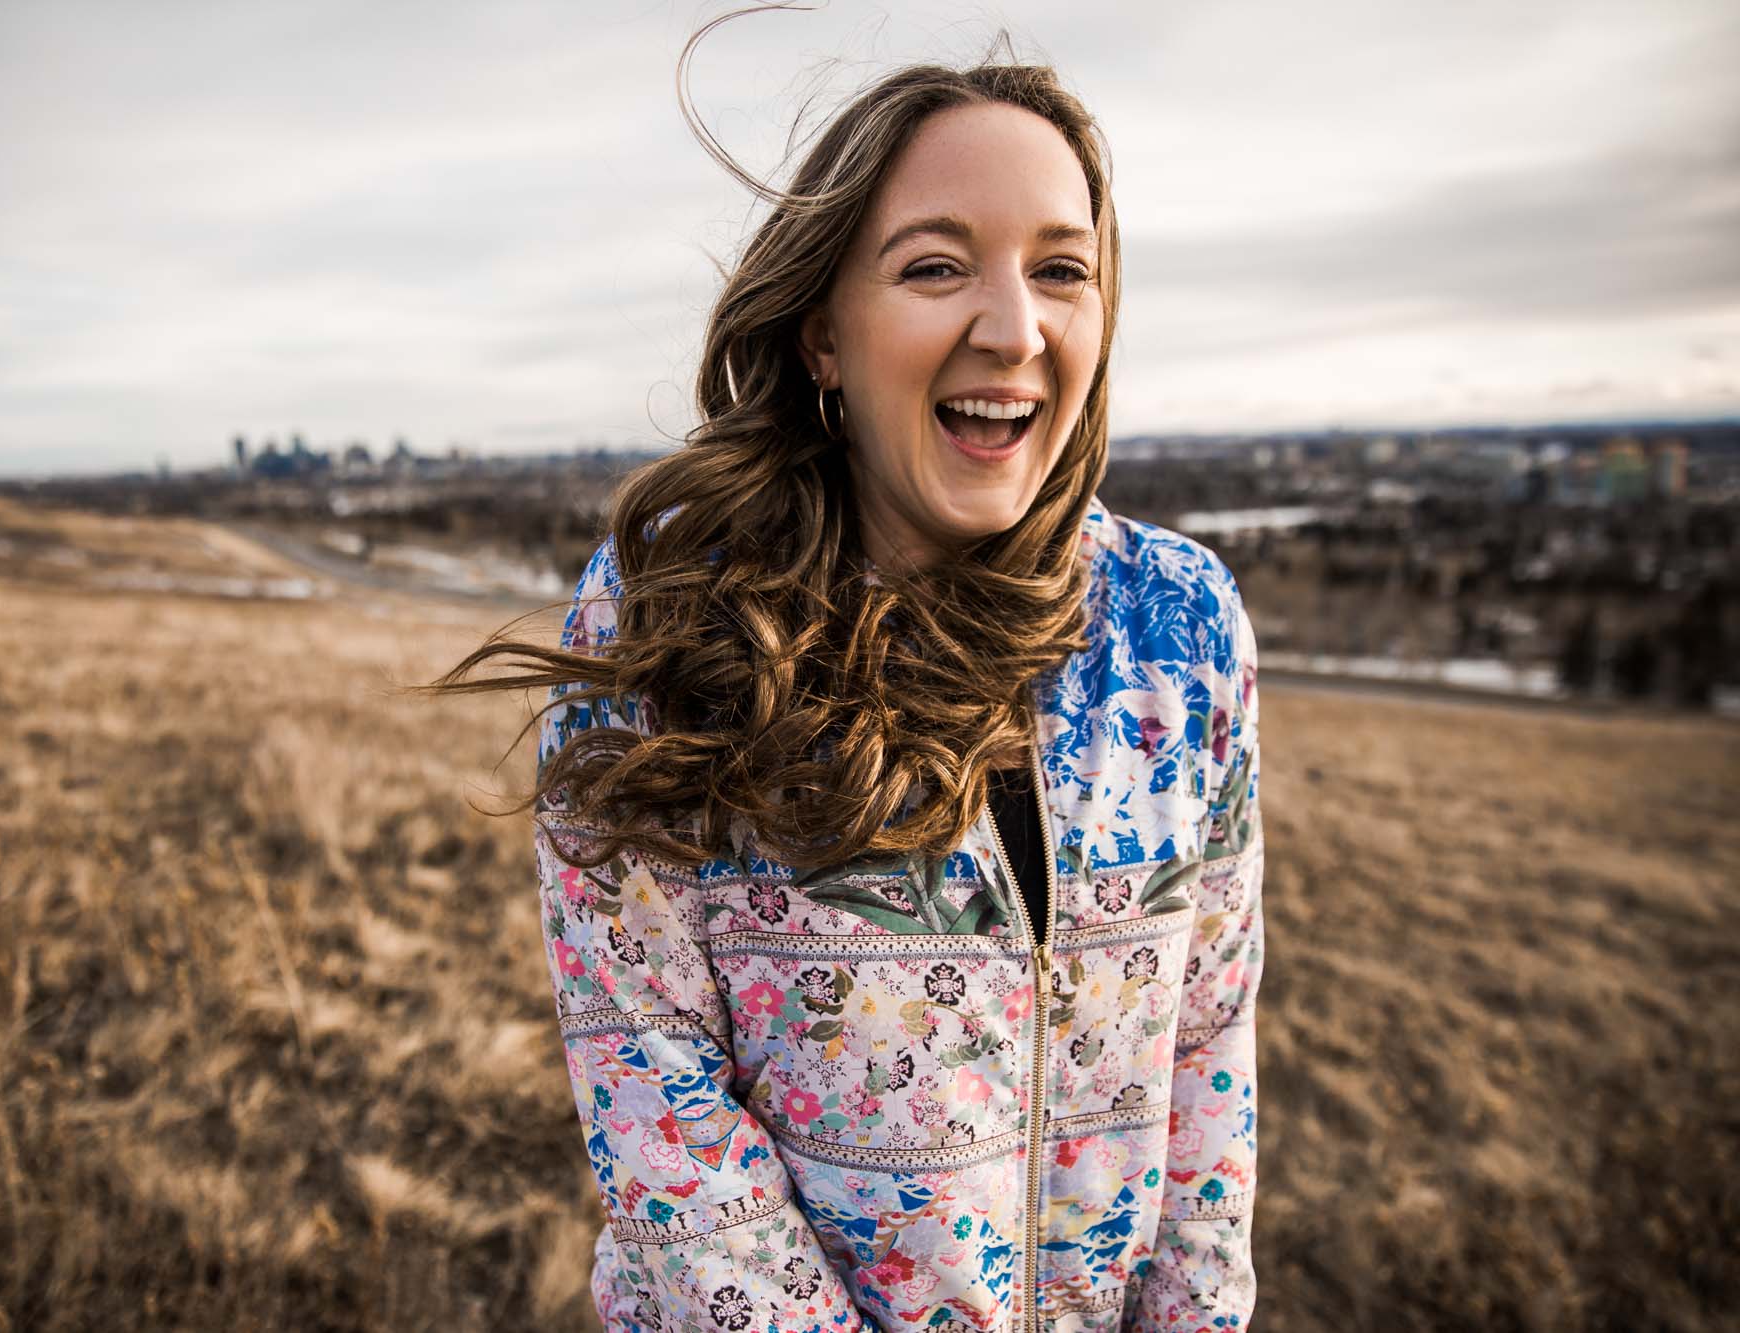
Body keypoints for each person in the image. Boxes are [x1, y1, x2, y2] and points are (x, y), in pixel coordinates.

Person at [432, 39, 1265, 1333]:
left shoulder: (1185, 628)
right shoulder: (671, 617)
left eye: (1062, 269)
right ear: (823, 330)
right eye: (937, 266)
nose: (1015, 326)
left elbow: (1211, 1048)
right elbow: (656, 1092)